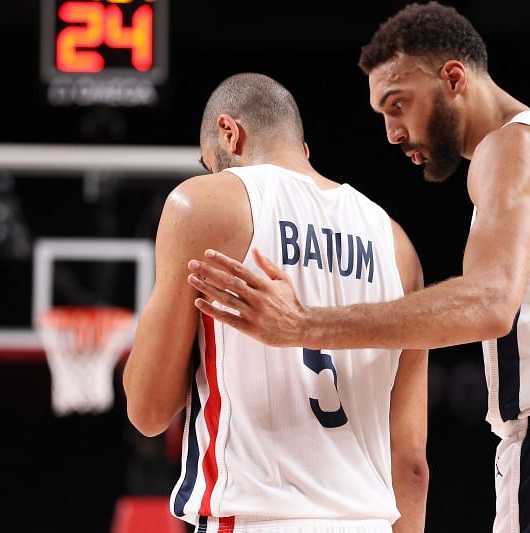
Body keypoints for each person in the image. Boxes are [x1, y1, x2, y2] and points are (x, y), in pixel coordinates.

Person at [187, 2, 530, 532]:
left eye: (399, 104)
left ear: (454, 78)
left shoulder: (509, 149)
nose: (393, 132)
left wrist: (304, 325)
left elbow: (489, 305)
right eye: (382, 115)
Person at [123, 72, 429, 533]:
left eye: (212, 164)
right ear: (302, 151)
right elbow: (411, 465)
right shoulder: (396, 243)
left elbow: (147, 411)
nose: (213, 175)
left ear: (230, 132)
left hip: (255, 516)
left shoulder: (204, 203)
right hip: (369, 521)